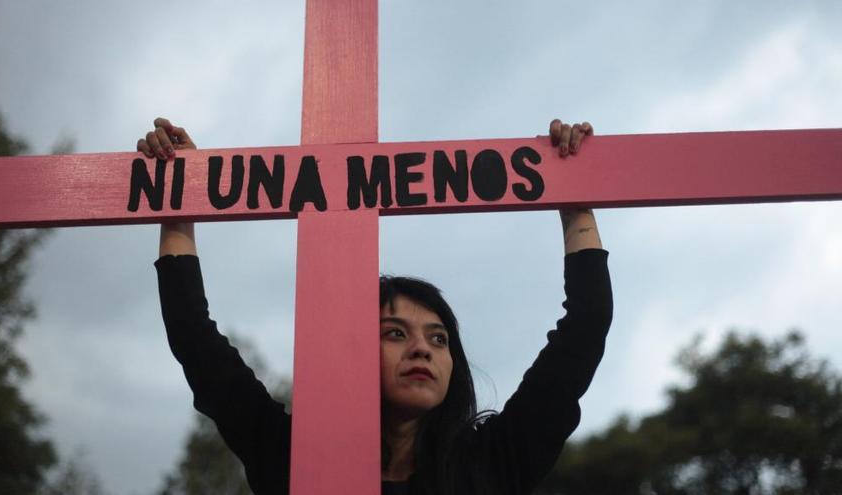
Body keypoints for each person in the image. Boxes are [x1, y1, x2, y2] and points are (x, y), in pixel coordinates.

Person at [141, 118, 612, 495]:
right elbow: (193, 336)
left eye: (438, 338)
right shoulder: (293, 455)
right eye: (395, 333)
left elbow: (585, 328)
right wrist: (180, 197)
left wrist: (574, 202)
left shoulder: (492, 462)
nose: (422, 350)